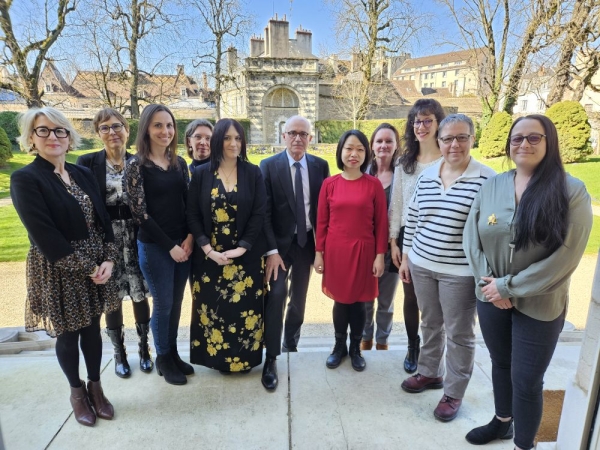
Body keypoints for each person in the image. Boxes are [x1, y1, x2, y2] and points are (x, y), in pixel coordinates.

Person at [463, 115, 592, 449]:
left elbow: (566, 256)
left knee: (527, 380)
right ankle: (502, 422)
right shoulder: (492, 185)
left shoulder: (571, 191)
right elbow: (470, 237)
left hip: (540, 303)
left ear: (550, 142)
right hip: (491, 298)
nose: (523, 144)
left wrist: (509, 287)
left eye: (534, 138)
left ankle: (524, 444)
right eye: (517, 138)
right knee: (500, 363)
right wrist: (489, 286)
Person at [11, 107, 118, 426]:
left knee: (92, 330)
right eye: (43, 131)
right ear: (31, 138)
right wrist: (89, 267)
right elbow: (45, 235)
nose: (53, 137)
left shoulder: (83, 172)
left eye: (60, 130)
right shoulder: (26, 179)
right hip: (60, 267)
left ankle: (96, 388)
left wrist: (109, 258)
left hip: (97, 266)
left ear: (69, 137)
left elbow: (104, 219)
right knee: (69, 334)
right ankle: (77, 393)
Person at [399, 114, 496, 422]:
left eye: (461, 137)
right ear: (438, 142)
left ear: (472, 139)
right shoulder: (427, 175)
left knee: (459, 334)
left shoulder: (487, 179)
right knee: (430, 323)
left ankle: (453, 392)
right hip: (422, 264)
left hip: (460, 273)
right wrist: (406, 257)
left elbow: (494, 232)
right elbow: (412, 218)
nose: (454, 144)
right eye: (447, 138)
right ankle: (429, 372)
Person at [77, 108, 153, 379]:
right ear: (98, 133)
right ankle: (119, 353)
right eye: (106, 128)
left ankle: (145, 349)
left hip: (136, 237)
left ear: (127, 129)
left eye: (117, 126)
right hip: (105, 241)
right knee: (112, 297)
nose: (113, 132)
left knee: (139, 293)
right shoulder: (87, 163)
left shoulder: (139, 162)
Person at [187, 118, 267, 374]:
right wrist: (207, 250)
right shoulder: (200, 174)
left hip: (246, 258)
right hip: (209, 259)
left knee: (245, 312)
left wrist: (243, 247)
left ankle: (244, 361)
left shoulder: (253, 172)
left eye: (238, 138)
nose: (233, 143)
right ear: (218, 140)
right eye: (227, 138)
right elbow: (193, 216)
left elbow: (259, 213)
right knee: (214, 311)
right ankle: (218, 361)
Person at [123, 104, 194, 386]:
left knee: (176, 304)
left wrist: (188, 238)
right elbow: (140, 215)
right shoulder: (136, 166)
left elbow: (188, 204)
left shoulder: (179, 163)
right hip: (155, 247)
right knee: (163, 305)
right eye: (158, 125)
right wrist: (170, 247)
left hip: (183, 244)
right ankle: (163, 358)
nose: (165, 131)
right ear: (146, 129)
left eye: (169, 125)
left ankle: (173, 353)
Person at [259, 116, 330, 391]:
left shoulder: (320, 166)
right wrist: (271, 251)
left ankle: (291, 343)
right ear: (283, 136)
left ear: (310, 138)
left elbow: (324, 210)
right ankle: (272, 356)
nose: (298, 138)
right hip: (278, 247)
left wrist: (321, 248)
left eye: (303, 133)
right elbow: (263, 213)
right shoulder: (268, 166)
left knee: (299, 300)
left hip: (306, 244)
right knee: (276, 295)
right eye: (293, 133)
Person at [315, 130, 388, 372]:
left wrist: (380, 255)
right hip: (336, 252)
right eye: (349, 148)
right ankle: (339, 346)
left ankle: (355, 347)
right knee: (340, 301)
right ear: (341, 151)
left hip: (364, 252)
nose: (354, 154)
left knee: (359, 303)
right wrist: (319, 253)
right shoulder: (329, 184)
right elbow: (322, 222)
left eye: (359, 149)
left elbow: (381, 223)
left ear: (366, 153)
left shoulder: (373, 185)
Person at [388, 99, 445, 373]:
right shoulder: (404, 162)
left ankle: (434, 350)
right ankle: (413, 346)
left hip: (441, 238)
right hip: (407, 240)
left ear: (438, 123)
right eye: (417, 121)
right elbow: (396, 203)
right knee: (411, 297)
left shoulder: (448, 159)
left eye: (427, 120)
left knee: (437, 302)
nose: (421, 127)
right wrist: (392, 241)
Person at [361, 123, 402, 351]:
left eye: (389, 141)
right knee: (366, 298)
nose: (384, 145)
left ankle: (382, 342)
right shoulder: (363, 173)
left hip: (392, 248)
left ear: (396, 145)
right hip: (367, 248)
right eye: (379, 141)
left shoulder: (402, 174)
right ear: (372, 145)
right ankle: (365, 340)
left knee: (386, 301)